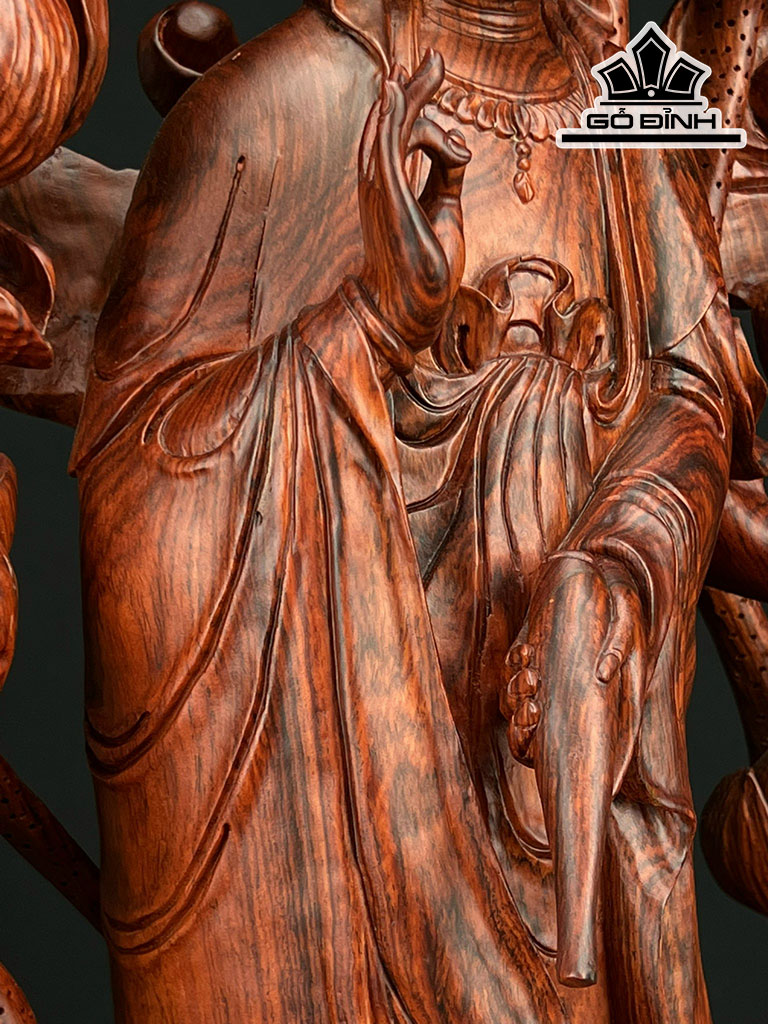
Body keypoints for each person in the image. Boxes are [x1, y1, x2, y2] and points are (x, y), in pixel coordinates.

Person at [71, 1, 765, 1021]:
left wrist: (619, 563)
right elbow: (139, 494)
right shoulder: (269, 111)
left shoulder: (629, 107)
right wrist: (371, 323)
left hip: (570, 842)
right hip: (344, 890)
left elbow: (694, 396)